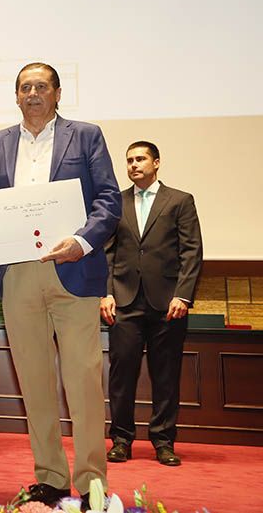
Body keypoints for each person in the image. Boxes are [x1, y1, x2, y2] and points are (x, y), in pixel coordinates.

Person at [0, 62, 121, 507]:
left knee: (83, 380)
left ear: (58, 93)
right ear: (15, 96)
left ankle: (92, 481)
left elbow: (109, 200)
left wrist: (81, 241)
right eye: (25, 87)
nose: (33, 93)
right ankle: (51, 477)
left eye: (41, 86)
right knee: (34, 382)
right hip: (17, 273)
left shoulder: (86, 135)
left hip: (74, 271)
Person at [102, 141, 202, 467]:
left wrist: (183, 295)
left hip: (168, 303)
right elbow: (108, 253)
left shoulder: (180, 200)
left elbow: (191, 251)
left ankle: (163, 441)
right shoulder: (115, 201)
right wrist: (106, 293)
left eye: (141, 158)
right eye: (129, 160)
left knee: (166, 376)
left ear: (156, 163)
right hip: (125, 302)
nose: (134, 164)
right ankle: (120, 440)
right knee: (121, 375)